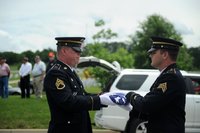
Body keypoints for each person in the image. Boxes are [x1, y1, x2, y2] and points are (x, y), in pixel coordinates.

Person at [44, 37, 126, 133]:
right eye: (76, 51)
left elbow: (81, 96)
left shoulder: (69, 71)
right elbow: (68, 101)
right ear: (64, 51)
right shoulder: (56, 74)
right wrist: (99, 100)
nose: (79, 55)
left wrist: (103, 96)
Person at [125, 37, 186, 133]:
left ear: (165, 55)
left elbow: (147, 105)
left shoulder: (170, 77)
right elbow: (156, 107)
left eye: (153, 53)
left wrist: (131, 96)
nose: (150, 56)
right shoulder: (168, 74)